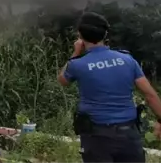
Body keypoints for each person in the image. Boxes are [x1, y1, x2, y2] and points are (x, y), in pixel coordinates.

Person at [58, 11, 161, 162]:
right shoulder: (127, 59)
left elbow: (63, 80)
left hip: (96, 137)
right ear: (105, 34)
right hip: (128, 134)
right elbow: (150, 95)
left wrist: (76, 52)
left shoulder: (77, 65)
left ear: (80, 35)